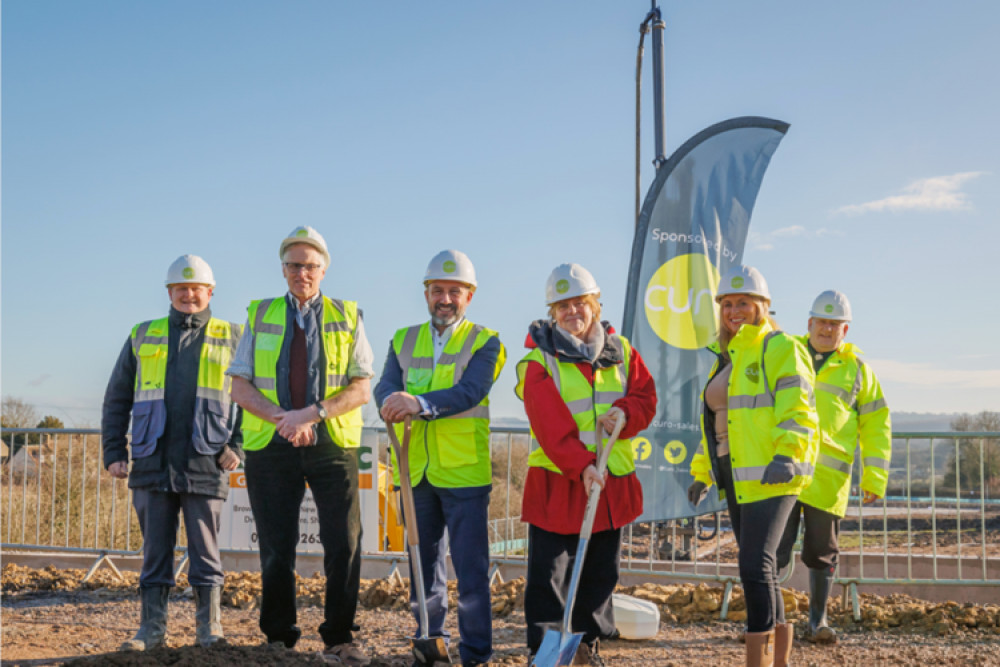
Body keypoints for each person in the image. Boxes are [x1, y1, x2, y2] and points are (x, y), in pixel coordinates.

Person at [227, 226, 374, 667]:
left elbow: (361, 387)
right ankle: (278, 638)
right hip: (273, 443)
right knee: (275, 545)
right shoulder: (261, 314)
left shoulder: (348, 315)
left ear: (324, 269)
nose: (301, 273)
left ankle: (339, 636)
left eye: (310, 265)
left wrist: (310, 415)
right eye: (293, 264)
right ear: (283, 269)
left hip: (332, 442)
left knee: (343, 544)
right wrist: (284, 420)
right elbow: (239, 385)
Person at [515, 263, 656, 667]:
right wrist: (581, 466)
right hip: (560, 482)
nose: (572, 311)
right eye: (563, 306)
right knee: (550, 576)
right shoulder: (539, 361)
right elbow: (549, 424)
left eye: (580, 302)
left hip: (609, 483)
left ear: (595, 304)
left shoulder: (623, 351)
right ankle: (544, 654)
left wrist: (625, 414)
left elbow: (646, 398)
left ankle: (586, 646)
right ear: (552, 312)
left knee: (599, 573)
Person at [102, 254, 243, 650]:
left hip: (206, 459)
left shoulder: (234, 335)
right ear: (169, 292)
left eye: (196, 288)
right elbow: (117, 397)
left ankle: (209, 630)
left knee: (206, 552)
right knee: (155, 552)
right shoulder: (143, 334)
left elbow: (255, 398)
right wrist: (114, 449)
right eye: (181, 289)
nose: (189, 295)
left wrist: (238, 445)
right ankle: (151, 630)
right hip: (151, 460)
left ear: (210, 292)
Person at [374, 249, 505, 667]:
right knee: (422, 568)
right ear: (426, 293)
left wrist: (419, 403)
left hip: (464, 474)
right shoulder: (402, 339)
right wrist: (389, 402)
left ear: (469, 296)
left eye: (454, 291)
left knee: (470, 574)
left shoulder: (486, 341)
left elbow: (471, 391)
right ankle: (429, 643)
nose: (444, 299)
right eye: (437, 291)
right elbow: (385, 386)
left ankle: (475, 654)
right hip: (415, 473)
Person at [688, 265, 819, 667]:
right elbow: (718, 426)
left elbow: (799, 408)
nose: (734, 311)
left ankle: (757, 662)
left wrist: (787, 455)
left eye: (743, 302)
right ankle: (776, 662)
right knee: (757, 564)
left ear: (763, 305)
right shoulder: (726, 357)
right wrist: (702, 472)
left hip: (774, 472)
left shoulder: (780, 347)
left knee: (755, 564)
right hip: (737, 474)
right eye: (727, 303)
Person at [775, 290, 891, 644]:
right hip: (783, 472)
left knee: (821, 553)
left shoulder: (858, 371)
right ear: (809, 324)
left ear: (845, 331)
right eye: (821, 322)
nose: (826, 329)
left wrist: (875, 477)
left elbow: (876, 427)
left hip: (827, 481)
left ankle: (818, 621)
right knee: (773, 550)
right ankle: (768, 624)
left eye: (834, 324)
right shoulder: (784, 353)